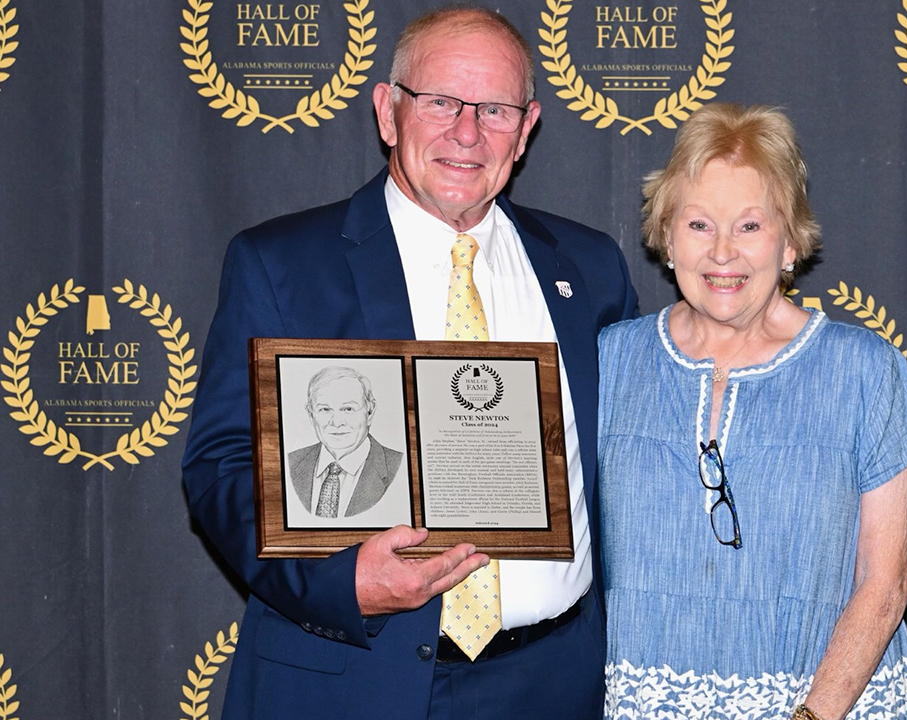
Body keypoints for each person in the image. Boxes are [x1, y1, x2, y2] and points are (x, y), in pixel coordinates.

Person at [181, 6, 638, 719]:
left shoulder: (590, 268)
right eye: (440, 102)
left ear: (526, 128)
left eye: (494, 109)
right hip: (351, 678)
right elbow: (220, 465)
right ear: (388, 112)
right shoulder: (281, 264)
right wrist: (341, 584)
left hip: (554, 681)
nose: (467, 131)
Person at [597, 104, 907, 720]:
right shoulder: (610, 362)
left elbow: (887, 586)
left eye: (750, 226)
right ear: (666, 238)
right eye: (699, 224)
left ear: (789, 244)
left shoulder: (864, 370)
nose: (723, 252)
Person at [287, 366, 402, 519]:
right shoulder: (289, 463)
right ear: (310, 413)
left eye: (348, 409)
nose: (336, 422)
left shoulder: (400, 467)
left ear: (370, 411)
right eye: (325, 409)